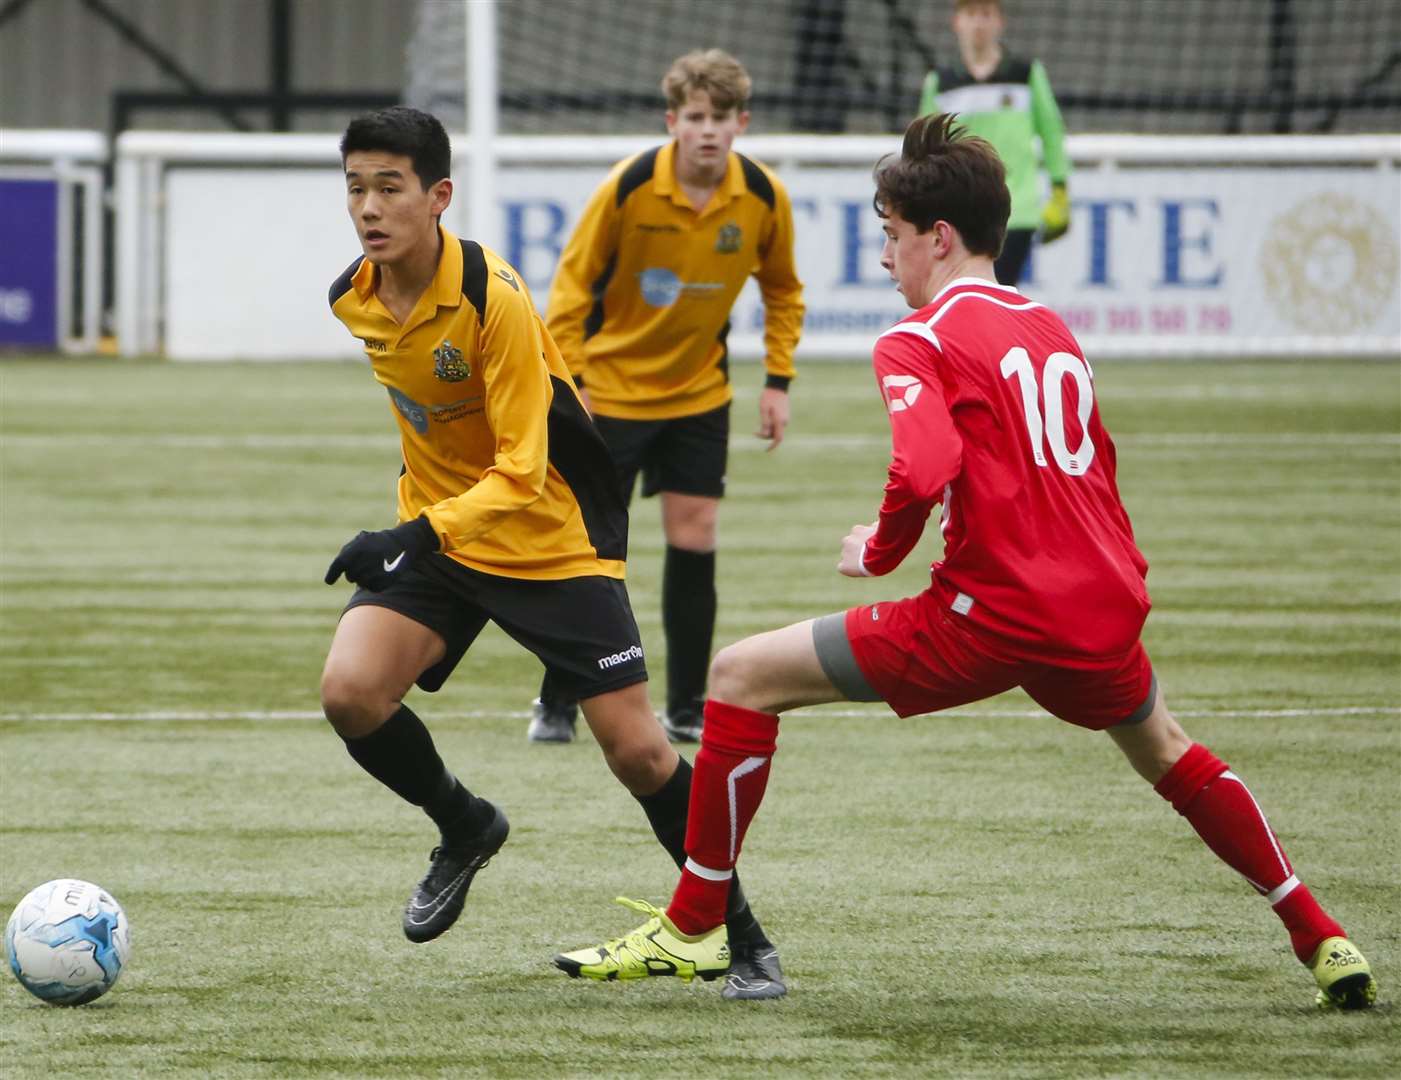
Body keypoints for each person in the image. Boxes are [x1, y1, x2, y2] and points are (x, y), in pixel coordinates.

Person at [552, 113, 1378, 1011]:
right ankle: (1319, 933)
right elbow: (1095, 463)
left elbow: (923, 465)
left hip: (994, 615)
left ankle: (692, 924)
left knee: (740, 675)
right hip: (1101, 608)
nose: (883, 259)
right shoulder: (1048, 324)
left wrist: (875, 551)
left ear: (936, 238)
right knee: (1168, 753)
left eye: (890, 237)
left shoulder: (919, 338)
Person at [320, 105, 786, 1000]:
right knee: (351, 693)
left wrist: (410, 534)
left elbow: (524, 473)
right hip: (446, 536)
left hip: (549, 540)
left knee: (641, 755)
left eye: (389, 187)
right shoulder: (354, 296)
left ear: (438, 196)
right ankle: (465, 826)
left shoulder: (494, 297)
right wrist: (422, 527)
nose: (369, 208)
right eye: (354, 188)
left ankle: (743, 936)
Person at [526, 48, 805, 746]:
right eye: (694, 118)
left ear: (741, 123)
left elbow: (782, 289)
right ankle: (556, 702)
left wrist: (777, 380)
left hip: (697, 396)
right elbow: (570, 288)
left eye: (721, 119)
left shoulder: (763, 197)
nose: (707, 131)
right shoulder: (628, 188)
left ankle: (685, 706)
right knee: (588, 551)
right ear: (672, 120)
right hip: (609, 397)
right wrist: (572, 386)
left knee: (694, 537)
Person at [919, 0, 1070, 286]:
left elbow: (1052, 132)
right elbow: (924, 150)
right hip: (960, 213)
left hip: (1017, 209)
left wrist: (1059, 187)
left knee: (992, 291)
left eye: (986, 15)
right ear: (957, 22)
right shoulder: (940, 83)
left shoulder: (1025, 74)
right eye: (971, 15)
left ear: (999, 22)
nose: (979, 24)